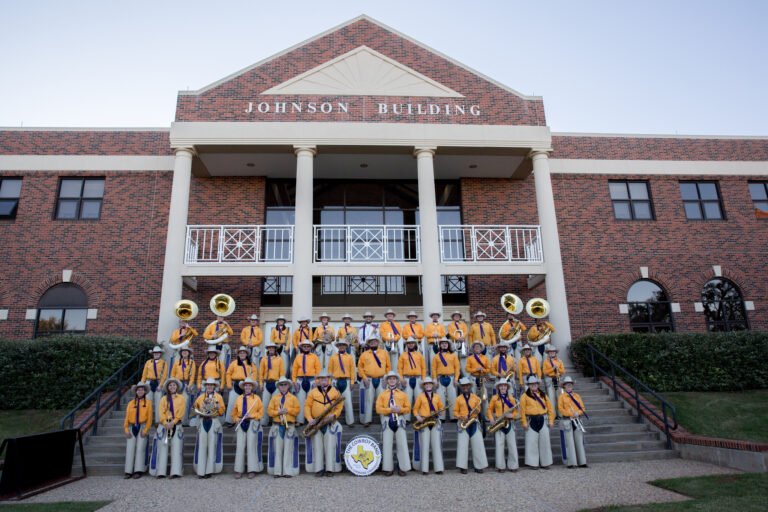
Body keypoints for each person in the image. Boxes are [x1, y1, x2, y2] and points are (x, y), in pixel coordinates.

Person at [304, 371, 344, 476]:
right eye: (321, 379)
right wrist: (309, 419)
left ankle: (330, 469)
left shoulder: (335, 391)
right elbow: (307, 406)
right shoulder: (312, 392)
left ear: (328, 379)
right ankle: (319, 469)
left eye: (325, 379)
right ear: (318, 380)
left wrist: (334, 415)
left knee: (330, 445)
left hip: (329, 422)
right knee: (317, 446)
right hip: (316, 423)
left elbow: (340, 405)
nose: (323, 380)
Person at [375, 371, 411, 476]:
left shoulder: (403, 394)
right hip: (387, 420)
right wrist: (389, 410)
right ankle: (388, 468)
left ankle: (403, 467)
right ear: (387, 381)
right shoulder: (382, 394)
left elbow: (408, 408)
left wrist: (400, 410)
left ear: (397, 381)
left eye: (394, 379)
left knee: (402, 444)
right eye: (390, 379)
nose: (391, 380)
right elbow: (378, 408)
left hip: (399, 419)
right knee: (387, 444)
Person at [150, 377, 186, 478]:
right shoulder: (163, 399)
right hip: (164, 425)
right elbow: (161, 412)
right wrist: (165, 422)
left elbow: (181, 412)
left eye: (174, 385)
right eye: (170, 385)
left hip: (176, 424)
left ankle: (175, 471)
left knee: (176, 447)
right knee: (163, 448)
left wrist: (173, 422)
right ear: (167, 387)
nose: (172, 387)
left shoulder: (181, 398)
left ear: (177, 387)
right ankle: (161, 471)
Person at [267, 377, 301, 478]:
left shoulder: (293, 398)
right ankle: (277, 471)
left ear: (288, 386)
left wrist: (288, 410)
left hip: (289, 425)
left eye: (285, 384)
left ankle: (287, 471)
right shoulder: (274, 398)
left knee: (288, 449)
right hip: (277, 425)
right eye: (281, 385)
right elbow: (269, 411)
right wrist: (278, 412)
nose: (283, 387)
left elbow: (297, 410)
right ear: (278, 387)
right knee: (277, 449)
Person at [192, 377, 225, 478]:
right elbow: (194, 407)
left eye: (211, 385)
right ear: (205, 386)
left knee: (211, 446)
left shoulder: (219, 397)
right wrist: (199, 410)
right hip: (203, 421)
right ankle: (201, 471)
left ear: (214, 386)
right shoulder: (201, 397)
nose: (209, 386)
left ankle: (209, 471)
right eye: (208, 385)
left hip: (213, 420)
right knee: (202, 446)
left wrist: (218, 408)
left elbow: (222, 410)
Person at [520, 375, 555, 470]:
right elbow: (522, 411)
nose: (534, 385)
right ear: (529, 385)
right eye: (531, 384)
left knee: (545, 441)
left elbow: (550, 409)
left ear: (537, 384)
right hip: (531, 419)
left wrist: (551, 421)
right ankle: (533, 463)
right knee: (531, 442)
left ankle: (546, 462)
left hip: (543, 418)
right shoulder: (524, 396)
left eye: (535, 384)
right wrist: (524, 423)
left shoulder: (543, 395)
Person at [454, 377, 488, 474]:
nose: (465, 387)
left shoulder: (476, 398)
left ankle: (479, 466)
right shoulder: (458, 399)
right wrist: (460, 416)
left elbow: (479, 410)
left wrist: (478, 410)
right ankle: (462, 466)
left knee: (478, 444)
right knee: (462, 445)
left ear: (469, 386)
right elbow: (455, 412)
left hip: (474, 422)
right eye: (463, 386)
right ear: (461, 387)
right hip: (463, 422)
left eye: (467, 385)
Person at [231, 377, 263, 479]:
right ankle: (239, 470)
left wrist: (252, 416)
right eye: (246, 385)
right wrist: (236, 419)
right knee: (240, 447)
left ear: (252, 387)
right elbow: (234, 413)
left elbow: (261, 413)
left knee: (251, 446)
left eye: (249, 385)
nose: (247, 387)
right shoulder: (239, 398)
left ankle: (252, 469)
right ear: (243, 387)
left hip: (251, 423)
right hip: (241, 423)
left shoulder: (257, 399)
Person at [357, 331, 391, 426]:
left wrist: (386, 378)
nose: (373, 343)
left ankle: (384, 419)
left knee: (382, 400)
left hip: (381, 380)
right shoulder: (364, 354)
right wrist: (364, 378)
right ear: (368, 343)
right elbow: (360, 367)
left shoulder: (384, 353)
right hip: (369, 380)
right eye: (371, 342)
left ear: (378, 342)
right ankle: (367, 420)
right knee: (368, 400)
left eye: (375, 341)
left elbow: (388, 367)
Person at [412, 377, 444, 475]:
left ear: (432, 385)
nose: (428, 385)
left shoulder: (437, 396)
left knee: (436, 445)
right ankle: (424, 469)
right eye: (426, 384)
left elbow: (442, 408)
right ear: (424, 386)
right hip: (424, 421)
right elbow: (415, 409)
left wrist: (440, 412)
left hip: (434, 421)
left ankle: (438, 468)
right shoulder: (420, 396)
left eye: (430, 383)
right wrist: (418, 417)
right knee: (425, 445)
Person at [487, 378, 520, 473]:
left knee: (512, 445)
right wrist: (491, 418)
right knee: (499, 445)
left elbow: (517, 412)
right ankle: (500, 466)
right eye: (501, 386)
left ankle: (513, 466)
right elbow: (489, 410)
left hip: (509, 422)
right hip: (499, 422)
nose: (503, 387)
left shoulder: (511, 398)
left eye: (504, 386)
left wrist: (512, 415)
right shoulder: (494, 398)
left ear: (507, 387)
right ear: (498, 387)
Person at [123, 381, 152, 479]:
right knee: (130, 449)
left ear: (144, 391)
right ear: (136, 391)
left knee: (140, 449)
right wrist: (126, 430)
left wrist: (146, 430)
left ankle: (138, 470)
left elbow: (149, 418)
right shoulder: (131, 403)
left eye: (142, 390)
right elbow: (126, 417)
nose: (140, 391)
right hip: (132, 427)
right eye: (138, 390)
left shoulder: (148, 403)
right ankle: (128, 471)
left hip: (142, 426)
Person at [558, 376, 588, 469]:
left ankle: (582, 462)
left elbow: (582, 408)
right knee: (569, 442)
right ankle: (572, 463)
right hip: (567, 420)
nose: (569, 386)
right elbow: (560, 409)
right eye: (567, 385)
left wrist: (577, 413)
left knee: (579, 441)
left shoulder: (577, 396)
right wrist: (570, 414)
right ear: (564, 386)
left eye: (570, 385)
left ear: (572, 386)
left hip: (577, 419)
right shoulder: (561, 397)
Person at [292, 338, 321, 425]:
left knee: (311, 401)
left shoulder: (314, 357)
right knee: (300, 401)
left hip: (311, 380)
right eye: (304, 346)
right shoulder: (298, 357)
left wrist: (317, 381)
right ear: (302, 347)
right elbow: (294, 370)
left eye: (307, 346)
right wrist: (294, 382)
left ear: (310, 347)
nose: (306, 348)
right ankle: (300, 420)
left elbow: (318, 370)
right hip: (300, 380)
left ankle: (311, 420)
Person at [328, 336, 356, 426]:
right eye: (340, 345)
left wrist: (352, 382)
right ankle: (332, 419)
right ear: (337, 346)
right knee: (333, 402)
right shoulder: (333, 357)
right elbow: (330, 370)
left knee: (348, 402)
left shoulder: (349, 357)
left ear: (346, 346)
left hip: (346, 381)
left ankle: (350, 421)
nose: (342, 347)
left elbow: (352, 370)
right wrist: (329, 383)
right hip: (335, 381)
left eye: (343, 345)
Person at [397, 337, 427, 422]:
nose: (410, 344)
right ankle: (407, 418)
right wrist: (401, 379)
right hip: (407, 379)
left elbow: (423, 368)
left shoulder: (419, 355)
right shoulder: (403, 355)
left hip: (418, 379)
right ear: (406, 345)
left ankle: (421, 416)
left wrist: (423, 379)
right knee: (407, 399)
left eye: (412, 343)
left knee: (419, 399)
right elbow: (400, 368)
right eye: (409, 343)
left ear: (415, 344)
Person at [225, 346, 256, 425]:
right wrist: (229, 384)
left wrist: (252, 382)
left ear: (246, 354)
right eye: (240, 352)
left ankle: (246, 419)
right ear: (238, 354)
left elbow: (255, 373)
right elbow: (228, 373)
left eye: (244, 352)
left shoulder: (251, 364)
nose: (242, 354)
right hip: (236, 384)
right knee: (232, 402)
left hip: (247, 385)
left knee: (246, 402)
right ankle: (230, 420)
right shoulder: (234, 363)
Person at [431, 338, 460, 420]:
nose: (444, 345)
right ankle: (441, 417)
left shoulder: (453, 355)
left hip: (451, 378)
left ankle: (454, 416)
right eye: (442, 343)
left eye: (446, 343)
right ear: (440, 345)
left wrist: (456, 379)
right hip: (440, 379)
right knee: (440, 399)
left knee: (453, 398)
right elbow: (433, 369)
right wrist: (434, 379)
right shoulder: (436, 356)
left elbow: (457, 368)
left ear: (448, 345)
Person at [259, 341, 285, 424]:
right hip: (267, 383)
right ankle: (264, 421)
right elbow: (261, 373)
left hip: (276, 383)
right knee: (265, 403)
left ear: (275, 349)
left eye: (273, 348)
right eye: (269, 348)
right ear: (268, 349)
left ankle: (276, 420)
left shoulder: (280, 359)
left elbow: (282, 373)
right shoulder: (264, 359)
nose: (271, 349)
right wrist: (261, 384)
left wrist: (281, 385)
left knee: (277, 403)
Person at [142, 346, 168, 424]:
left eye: (157, 353)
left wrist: (161, 385)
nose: (156, 354)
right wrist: (142, 384)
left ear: (160, 354)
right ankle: (147, 420)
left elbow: (164, 375)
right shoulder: (148, 362)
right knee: (147, 402)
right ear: (153, 354)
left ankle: (158, 420)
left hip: (158, 383)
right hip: (149, 382)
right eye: (154, 353)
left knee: (158, 403)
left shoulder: (164, 363)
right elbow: (144, 374)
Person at [170, 346, 196, 426]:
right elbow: (172, 374)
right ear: (181, 353)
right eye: (183, 351)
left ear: (189, 353)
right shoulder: (177, 362)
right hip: (177, 384)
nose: (184, 352)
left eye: (186, 351)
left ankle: (183, 421)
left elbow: (192, 375)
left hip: (186, 384)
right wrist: (173, 384)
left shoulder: (192, 362)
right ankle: (174, 419)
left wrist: (190, 385)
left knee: (185, 403)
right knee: (175, 402)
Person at [465, 340, 490, 411]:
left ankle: (485, 415)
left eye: (478, 346)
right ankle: (474, 414)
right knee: (473, 397)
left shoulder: (485, 358)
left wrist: (483, 370)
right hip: (473, 378)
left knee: (484, 397)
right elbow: (467, 369)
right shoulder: (470, 358)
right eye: (475, 347)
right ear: (473, 348)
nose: (477, 348)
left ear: (481, 348)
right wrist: (476, 369)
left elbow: (489, 369)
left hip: (482, 378)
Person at [542, 344, 566, 409]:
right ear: (548, 353)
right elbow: (544, 372)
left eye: (553, 351)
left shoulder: (559, 360)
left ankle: (560, 414)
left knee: (559, 396)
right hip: (550, 379)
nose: (552, 353)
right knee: (551, 397)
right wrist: (552, 369)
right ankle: (553, 414)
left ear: (555, 352)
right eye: (550, 352)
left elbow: (563, 371)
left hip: (558, 379)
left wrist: (558, 369)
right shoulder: (545, 361)